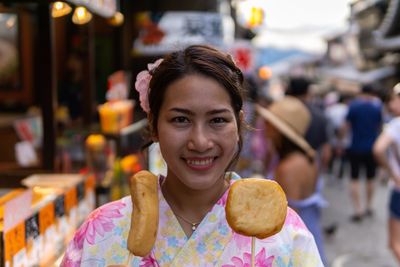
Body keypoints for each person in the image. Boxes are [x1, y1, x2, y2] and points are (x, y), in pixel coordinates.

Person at [61, 45, 323, 266]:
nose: (200, 141)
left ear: (239, 124)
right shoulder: (103, 230)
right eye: (181, 119)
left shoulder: (285, 233)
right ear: (153, 125)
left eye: (218, 120)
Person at [256, 96, 327, 265]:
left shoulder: (287, 168)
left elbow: (286, 220)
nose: (263, 124)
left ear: (278, 129)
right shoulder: (307, 158)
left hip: (295, 240)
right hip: (310, 230)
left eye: (268, 122)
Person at [344, 83, 383, 222]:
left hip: (355, 147)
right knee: (370, 178)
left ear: (361, 93)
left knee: (354, 178)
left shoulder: (354, 106)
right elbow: (379, 127)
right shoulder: (376, 108)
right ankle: (369, 206)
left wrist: (341, 140)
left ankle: (358, 209)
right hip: (371, 147)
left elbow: (346, 126)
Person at [373, 83, 400, 263]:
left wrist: (394, 175)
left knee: (395, 243)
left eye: (393, 99)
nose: (390, 104)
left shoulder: (397, 124)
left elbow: (378, 149)